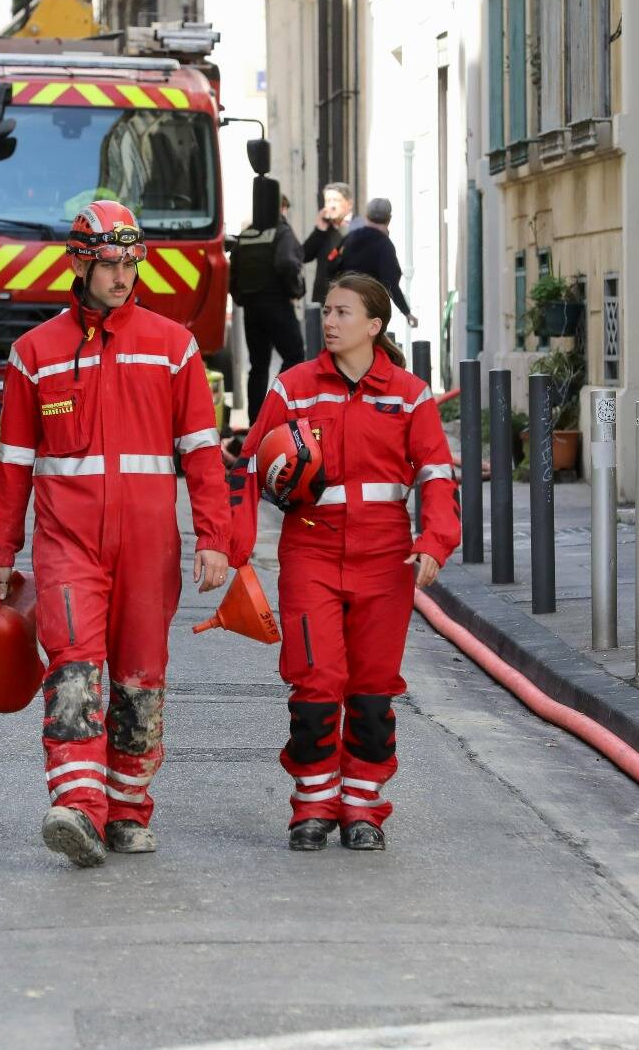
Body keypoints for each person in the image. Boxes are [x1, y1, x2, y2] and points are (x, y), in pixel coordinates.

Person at [0, 201, 230, 867]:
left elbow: (203, 450)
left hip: (151, 547)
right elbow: (13, 466)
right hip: (68, 545)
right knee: (73, 671)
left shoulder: (173, 346)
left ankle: (127, 808)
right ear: (81, 264)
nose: (123, 276)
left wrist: (214, 535)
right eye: (111, 264)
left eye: (131, 262)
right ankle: (77, 806)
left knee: (140, 680)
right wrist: (1, 552)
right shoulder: (35, 354)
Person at [231, 273, 460, 852]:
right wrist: (230, 546)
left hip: (386, 559)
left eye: (342, 312)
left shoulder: (408, 394)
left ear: (374, 326)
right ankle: (312, 806)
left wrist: (435, 541)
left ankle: (363, 808)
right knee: (316, 680)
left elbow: (436, 474)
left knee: (371, 688)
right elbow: (251, 468)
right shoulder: (293, 387)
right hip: (309, 550)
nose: (329, 322)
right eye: (326, 311)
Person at [230, 194, 305, 422]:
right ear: (280, 208)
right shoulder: (281, 231)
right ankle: (276, 408)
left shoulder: (246, 235)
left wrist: (242, 297)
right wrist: (296, 290)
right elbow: (286, 263)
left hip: (252, 309)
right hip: (277, 304)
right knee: (294, 355)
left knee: (258, 366)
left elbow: (232, 271)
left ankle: (256, 422)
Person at [335, 197, 417, 328]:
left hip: (342, 305)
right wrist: (406, 312)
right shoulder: (385, 245)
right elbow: (390, 283)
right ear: (389, 219)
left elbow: (332, 264)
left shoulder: (349, 238)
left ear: (366, 216)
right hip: (368, 309)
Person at [301, 183, 354, 304]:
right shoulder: (323, 231)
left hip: (349, 300)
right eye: (328, 201)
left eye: (336, 200)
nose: (331, 206)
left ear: (349, 204)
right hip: (324, 301)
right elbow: (303, 256)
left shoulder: (357, 228)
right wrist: (319, 230)